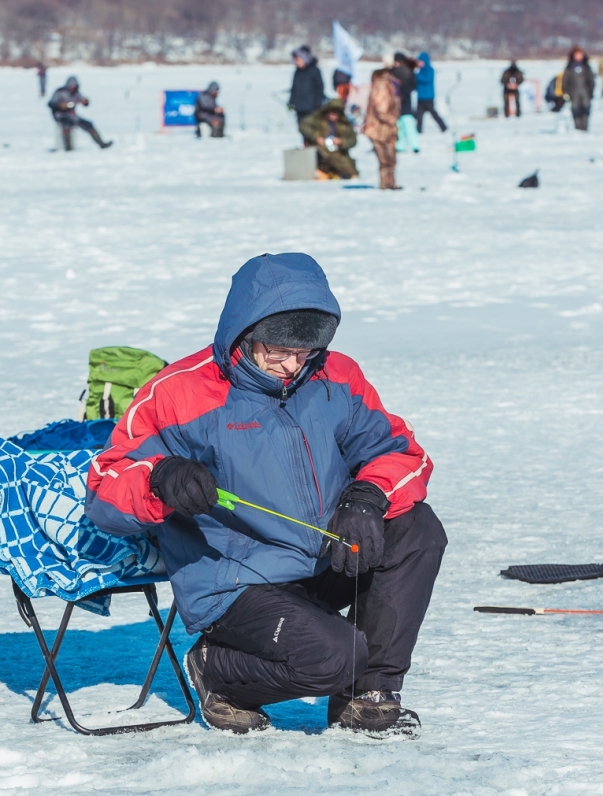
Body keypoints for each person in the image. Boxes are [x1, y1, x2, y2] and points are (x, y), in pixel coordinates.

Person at [85, 252, 444, 737]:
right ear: (244, 332)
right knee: (335, 657)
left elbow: (401, 452)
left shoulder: (335, 375)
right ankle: (217, 671)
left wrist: (367, 495)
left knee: (417, 529)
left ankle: (369, 697)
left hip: (321, 554)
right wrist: (159, 479)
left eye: (306, 352)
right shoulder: (178, 393)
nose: (292, 366)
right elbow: (105, 492)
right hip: (236, 580)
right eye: (278, 350)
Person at [362, 66, 401, 190]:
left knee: (389, 158)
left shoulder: (384, 84)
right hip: (380, 129)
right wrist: (392, 119)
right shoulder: (382, 85)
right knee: (386, 159)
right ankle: (386, 183)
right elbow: (381, 109)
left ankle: (389, 182)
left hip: (381, 129)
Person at [48, 76, 112, 150]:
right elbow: (50, 104)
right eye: (71, 86)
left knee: (88, 125)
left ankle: (102, 144)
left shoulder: (76, 93)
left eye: (74, 87)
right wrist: (60, 105)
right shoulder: (60, 92)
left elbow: (83, 101)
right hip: (60, 115)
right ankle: (68, 148)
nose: (73, 88)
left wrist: (85, 102)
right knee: (66, 125)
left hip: (72, 115)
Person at [299, 99, 358, 180]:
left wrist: (341, 141)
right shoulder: (317, 119)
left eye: (336, 114)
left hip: (338, 151)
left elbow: (353, 140)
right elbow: (303, 126)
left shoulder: (344, 125)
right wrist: (315, 137)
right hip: (319, 150)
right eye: (332, 113)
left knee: (346, 165)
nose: (334, 116)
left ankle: (345, 173)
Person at [288, 46, 326, 133]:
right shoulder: (297, 72)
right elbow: (294, 89)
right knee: (302, 128)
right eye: (295, 59)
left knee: (312, 129)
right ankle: (305, 144)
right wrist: (291, 103)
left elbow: (320, 88)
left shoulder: (314, 71)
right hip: (299, 107)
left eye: (298, 59)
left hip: (312, 107)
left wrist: (317, 103)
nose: (296, 61)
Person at [391, 53, 420, 152]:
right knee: (405, 126)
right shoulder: (409, 71)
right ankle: (410, 145)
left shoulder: (394, 71)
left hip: (400, 102)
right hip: (404, 102)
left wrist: (402, 92)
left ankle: (406, 146)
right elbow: (414, 85)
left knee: (403, 126)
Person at [562, 47, 596, 130]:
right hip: (573, 92)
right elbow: (565, 80)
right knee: (576, 109)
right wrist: (565, 91)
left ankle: (584, 127)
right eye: (577, 55)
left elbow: (591, 80)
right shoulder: (569, 67)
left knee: (585, 109)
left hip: (585, 92)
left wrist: (591, 91)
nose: (578, 57)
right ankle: (577, 127)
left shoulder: (586, 67)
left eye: (580, 55)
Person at [413, 52, 446, 133]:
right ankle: (419, 130)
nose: (419, 63)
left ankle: (443, 127)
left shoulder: (430, 70)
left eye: (420, 61)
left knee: (434, 114)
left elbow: (425, 79)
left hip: (428, 97)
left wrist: (415, 76)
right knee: (419, 115)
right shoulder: (419, 71)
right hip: (420, 97)